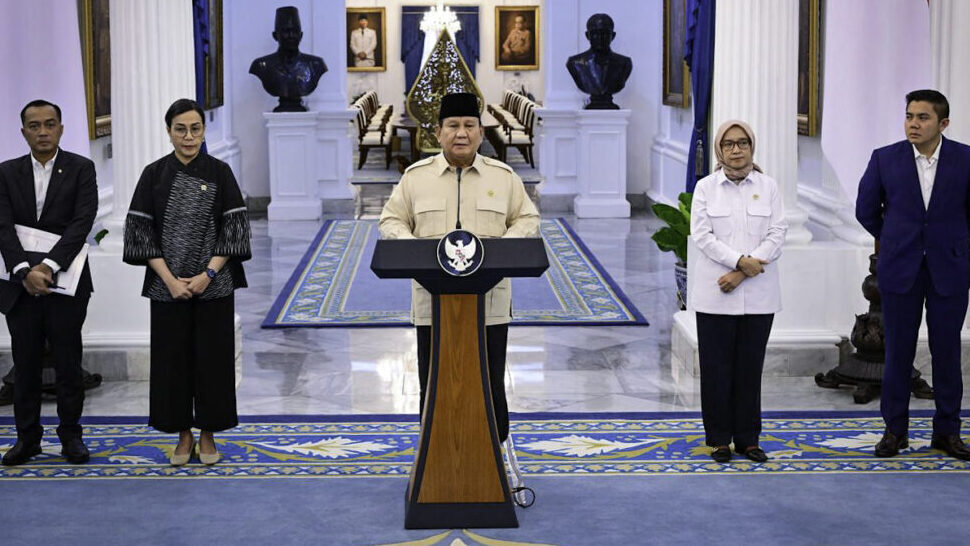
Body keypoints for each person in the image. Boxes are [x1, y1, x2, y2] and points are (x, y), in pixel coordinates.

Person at [378, 92, 539, 443]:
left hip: (490, 306)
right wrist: (414, 251)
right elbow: (391, 220)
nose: (461, 133)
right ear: (438, 133)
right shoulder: (415, 178)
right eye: (452, 126)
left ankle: (494, 458)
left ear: (481, 132)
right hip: (431, 306)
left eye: (469, 125)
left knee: (489, 381)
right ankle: (434, 459)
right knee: (435, 381)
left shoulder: (504, 176)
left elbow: (527, 218)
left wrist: (501, 251)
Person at [123, 99, 251, 466]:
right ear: (169, 131)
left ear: (203, 131)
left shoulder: (220, 172)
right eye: (181, 129)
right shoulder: (153, 174)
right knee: (171, 362)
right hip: (168, 286)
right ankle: (182, 434)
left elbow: (235, 228)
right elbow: (140, 232)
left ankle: (208, 434)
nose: (189, 136)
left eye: (195, 128)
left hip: (214, 284)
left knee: (213, 361)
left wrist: (207, 274)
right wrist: (170, 280)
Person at [856, 89, 970, 461]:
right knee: (898, 354)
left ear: (943, 123)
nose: (913, 124)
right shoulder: (885, 159)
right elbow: (866, 210)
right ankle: (895, 431)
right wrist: (893, 238)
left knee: (947, 353)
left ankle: (948, 433)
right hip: (900, 270)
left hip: (948, 270)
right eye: (909, 116)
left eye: (922, 117)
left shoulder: (965, 159)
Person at [0, 100, 98, 466]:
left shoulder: (81, 169)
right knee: (24, 366)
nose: (43, 131)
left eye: (50, 124)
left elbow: (82, 222)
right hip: (19, 286)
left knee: (68, 362)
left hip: (66, 283)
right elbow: (2, 227)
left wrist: (49, 266)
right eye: (34, 125)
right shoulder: (6, 173)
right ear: (23, 131)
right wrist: (26, 271)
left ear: (61, 128)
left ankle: (71, 437)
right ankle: (27, 440)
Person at [689, 120, 787, 463]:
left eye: (742, 143)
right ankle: (718, 439)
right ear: (720, 149)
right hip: (715, 293)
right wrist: (738, 261)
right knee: (716, 370)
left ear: (751, 147)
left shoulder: (769, 186)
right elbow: (703, 237)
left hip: (757, 293)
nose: (736, 149)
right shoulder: (705, 188)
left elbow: (777, 234)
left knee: (749, 369)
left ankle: (748, 439)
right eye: (729, 144)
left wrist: (741, 272)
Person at [249, 6, 328, 112]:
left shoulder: (316, 64)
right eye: (286, 31)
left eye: (295, 31)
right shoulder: (261, 65)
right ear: (275, 35)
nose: (291, 36)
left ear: (301, 35)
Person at [566, 13, 632, 110]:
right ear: (587, 35)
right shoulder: (575, 63)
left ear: (613, 36)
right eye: (595, 33)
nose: (600, 38)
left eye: (605, 33)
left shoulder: (624, 63)